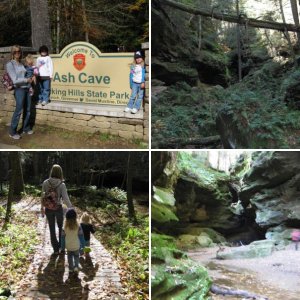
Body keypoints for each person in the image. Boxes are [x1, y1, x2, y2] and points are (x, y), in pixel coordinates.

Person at [41, 164, 72, 254]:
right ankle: (61, 247)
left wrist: (42, 207)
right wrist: (71, 208)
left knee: (51, 228)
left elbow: (42, 196)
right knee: (60, 227)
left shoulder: (45, 182)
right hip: (58, 208)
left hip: (48, 208)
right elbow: (66, 198)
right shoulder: (62, 184)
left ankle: (55, 249)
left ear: (52, 172)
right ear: (60, 173)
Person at [6, 45, 33, 139]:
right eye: (15, 52)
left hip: (27, 88)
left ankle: (25, 128)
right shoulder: (10, 64)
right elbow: (15, 80)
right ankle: (12, 132)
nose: (17, 53)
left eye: (19, 52)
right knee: (19, 110)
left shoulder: (21, 64)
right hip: (19, 89)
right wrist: (26, 80)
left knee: (28, 110)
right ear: (12, 53)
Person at [61, 208, 85, 274]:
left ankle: (71, 268)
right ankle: (76, 267)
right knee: (76, 256)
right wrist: (83, 245)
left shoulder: (64, 227)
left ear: (66, 217)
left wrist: (62, 247)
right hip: (76, 245)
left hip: (68, 246)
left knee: (69, 257)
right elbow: (81, 237)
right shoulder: (78, 226)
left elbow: (62, 238)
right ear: (75, 217)